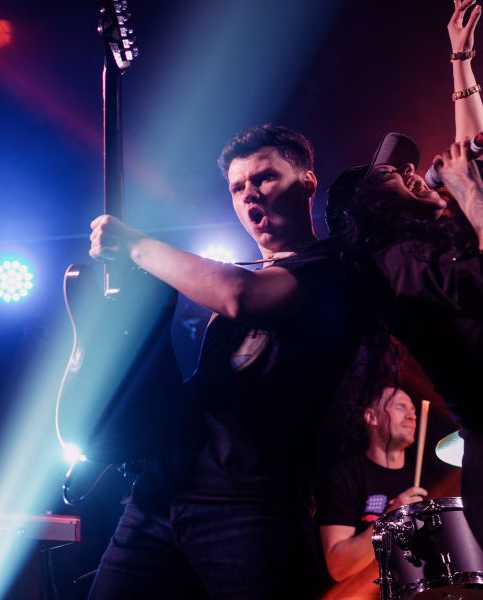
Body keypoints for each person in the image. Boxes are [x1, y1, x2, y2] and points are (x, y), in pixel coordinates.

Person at [86, 125, 374, 599]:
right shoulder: (247, 272)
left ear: (307, 182)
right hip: (159, 498)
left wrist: (136, 245)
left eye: (265, 178)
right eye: (238, 187)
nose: (249, 194)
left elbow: (239, 296)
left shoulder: (332, 267)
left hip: (251, 507)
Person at [325, 0, 483, 549]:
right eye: (394, 173)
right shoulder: (397, 265)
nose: (414, 172)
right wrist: (469, 193)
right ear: (371, 209)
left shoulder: (433, 243)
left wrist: (460, 60)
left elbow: (475, 158)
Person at [318, 386, 426, 589]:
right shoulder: (345, 475)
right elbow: (338, 567)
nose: (412, 416)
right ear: (372, 417)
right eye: (400, 407)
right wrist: (391, 518)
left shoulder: (425, 482)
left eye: (413, 410)